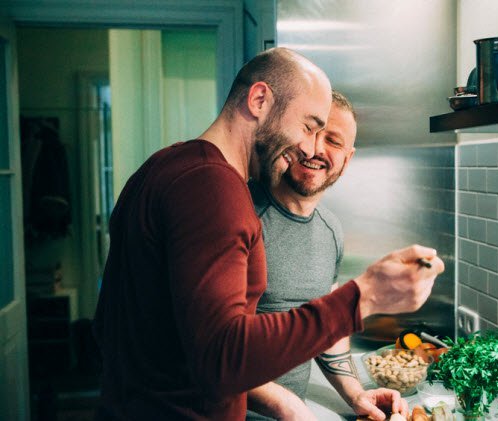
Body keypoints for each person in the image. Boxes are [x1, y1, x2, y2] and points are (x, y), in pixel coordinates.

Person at [93, 47, 444, 420]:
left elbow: (110, 325)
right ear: (259, 99)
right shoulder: (213, 190)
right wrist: (365, 296)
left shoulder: (167, 165)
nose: (308, 147)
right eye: (308, 127)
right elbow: (222, 360)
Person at [247, 90, 407, 421]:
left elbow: (326, 330)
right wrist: (286, 406)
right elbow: (209, 345)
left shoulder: (330, 231)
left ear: (347, 159)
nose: (316, 149)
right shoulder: (242, 215)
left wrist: (357, 395)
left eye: (333, 140)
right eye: (310, 133)